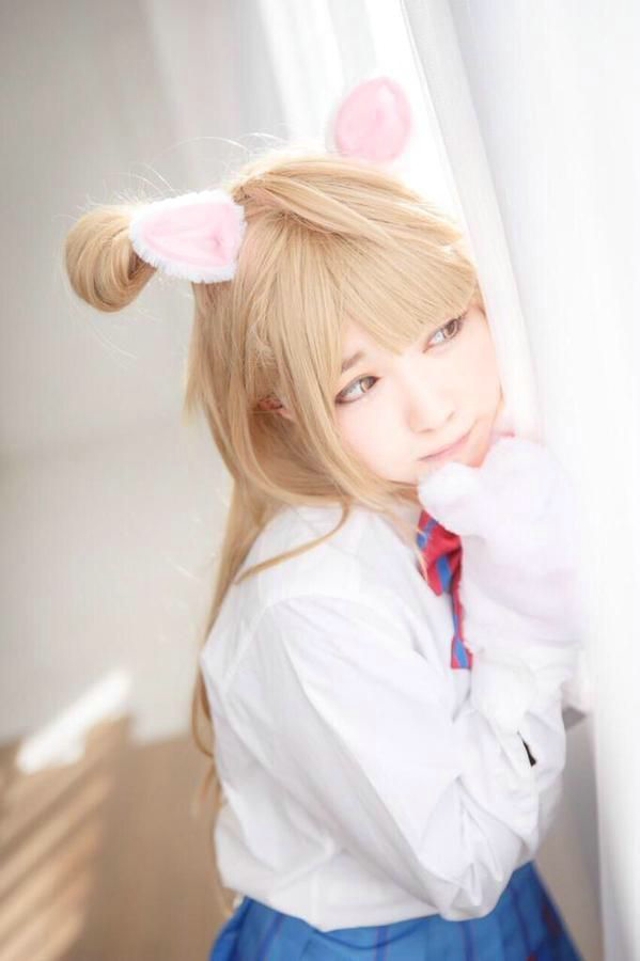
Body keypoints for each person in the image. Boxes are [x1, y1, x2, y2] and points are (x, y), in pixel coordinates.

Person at [64, 95, 585, 959]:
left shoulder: (444, 493)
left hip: (496, 907)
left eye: (443, 329)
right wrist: (526, 625)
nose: (433, 406)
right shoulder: (311, 606)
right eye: (359, 384)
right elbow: (464, 863)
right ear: (282, 406)